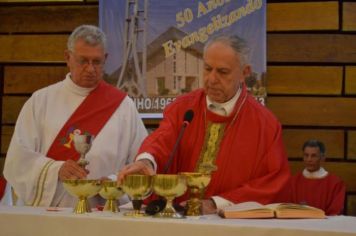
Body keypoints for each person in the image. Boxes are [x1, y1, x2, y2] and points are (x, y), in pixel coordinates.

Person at [118, 35, 291, 214]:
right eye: (208, 69)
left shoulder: (265, 125)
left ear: (244, 73)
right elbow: (162, 140)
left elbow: (273, 182)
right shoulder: (183, 109)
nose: (212, 79)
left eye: (223, 72)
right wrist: (147, 162)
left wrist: (215, 204)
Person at [1, 25, 147, 207]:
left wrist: (112, 182)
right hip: (50, 215)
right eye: (83, 61)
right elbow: (18, 159)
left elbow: (140, 163)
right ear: (67, 58)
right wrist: (56, 169)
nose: (90, 69)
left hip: (103, 212)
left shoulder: (124, 107)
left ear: (106, 59)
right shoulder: (41, 101)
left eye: (97, 62)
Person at [289, 140, 346, 215]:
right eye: (306, 155)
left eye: (313, 156)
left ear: (322, 158)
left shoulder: (336, 184)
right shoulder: (293, 182)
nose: (309, 160)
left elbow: (335, 213)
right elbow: (287, 209)